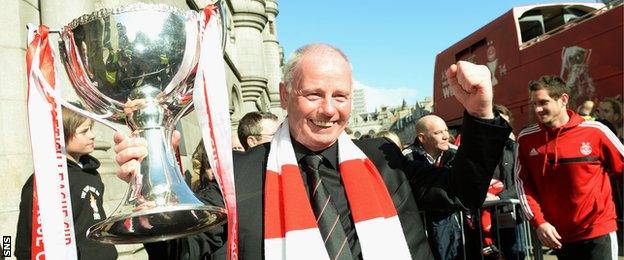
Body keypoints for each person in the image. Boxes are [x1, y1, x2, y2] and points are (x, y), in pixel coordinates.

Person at [113, 43, 511, 259]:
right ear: (285, 94)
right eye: (314, 94)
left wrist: (479, 114)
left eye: (340, 96)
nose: (328, 109)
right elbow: (186, 253)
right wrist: (153, 189)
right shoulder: (238, 174)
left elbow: (461, 192)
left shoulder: (382, 158)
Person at [516, 75, 623, 260]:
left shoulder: (596, 131)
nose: (538, 109)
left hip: (598, 231)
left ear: (563, 99)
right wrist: (539, 223)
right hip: (559, 236)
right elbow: (523, 184)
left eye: (543, 102)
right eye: (534, 104)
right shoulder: (526, 139)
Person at [15, 105, 118, 260]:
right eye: (84, 131)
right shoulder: (46, 180)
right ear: (61, 135)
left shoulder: (92, 174)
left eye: (90, 129)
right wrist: (8, 254)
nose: (92, 135)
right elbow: (24, 239)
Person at [403, 115, 461, 260]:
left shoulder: (457, 154)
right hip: (420, 229)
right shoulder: (406, 158)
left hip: (455, 226)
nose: (446, 136)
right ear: (422, 138)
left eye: (446, 131)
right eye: (438, 133)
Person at [478, 104, 525, 259]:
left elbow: (522, 180)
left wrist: (499, 197)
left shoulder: (516, 148)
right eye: (499, 123)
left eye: (506, 123)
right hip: (483, 216)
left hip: (510, 212)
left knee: (514, 253)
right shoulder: (479, 150)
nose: (504, 127)